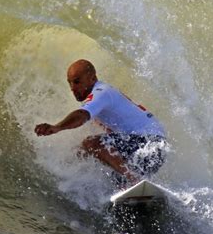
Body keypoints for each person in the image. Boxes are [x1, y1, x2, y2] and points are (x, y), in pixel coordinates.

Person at [34, 59, 168, 187]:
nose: (72, 88)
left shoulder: (100, 93)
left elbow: (81, 115)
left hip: (149, 144)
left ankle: (134, 180)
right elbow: (111, 133)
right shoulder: (99, 97)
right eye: (70, 83)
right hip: (152, 151)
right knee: (86, 153)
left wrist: (57, 127)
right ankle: (134, 184)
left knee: (91, 143)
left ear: (92, 78)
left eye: (77, 82)